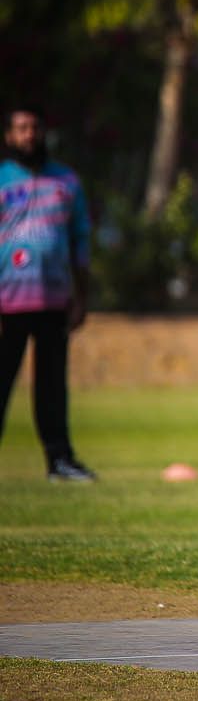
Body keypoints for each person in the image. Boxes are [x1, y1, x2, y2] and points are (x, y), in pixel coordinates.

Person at [0, 104, 96, 481]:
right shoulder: (2, 179)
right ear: (9, 136)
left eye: (34, 127)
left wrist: (82, 297)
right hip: (7, 302)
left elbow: (80, 242)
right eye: (21, 128)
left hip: (53, 300)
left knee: (52, 387)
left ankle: (60, 460)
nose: (29, 135)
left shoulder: (66, 182)